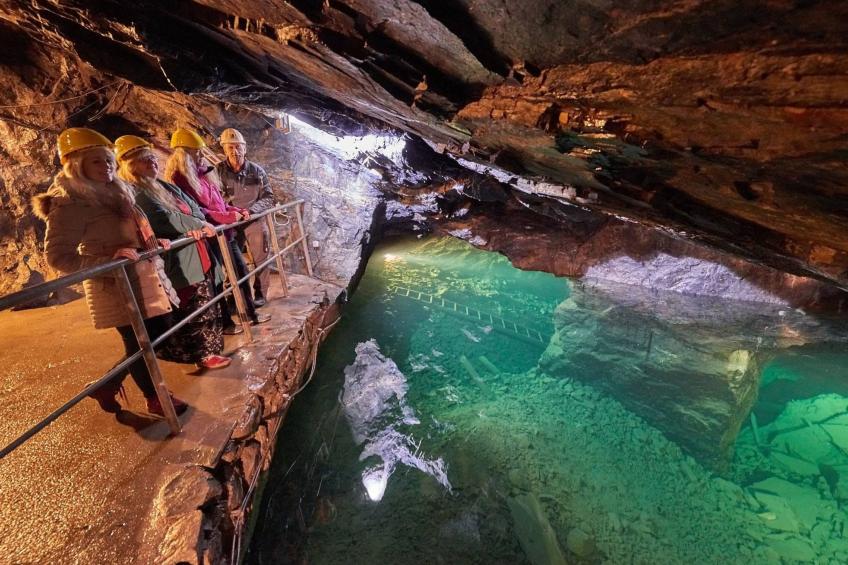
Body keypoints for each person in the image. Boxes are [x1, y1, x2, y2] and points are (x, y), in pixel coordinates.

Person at [32, 127, 187, 417]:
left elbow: (130, 229)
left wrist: (153, 241)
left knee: (158, 332)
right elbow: (58, 256)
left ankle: (107, 385)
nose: (105, 166)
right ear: (76, 165)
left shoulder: (117, 189)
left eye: (108, 160)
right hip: (114, 285)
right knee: (139, 342)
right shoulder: (69, 202)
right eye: (96, 161)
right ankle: (155, 398)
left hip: (142, 275)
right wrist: (107, 261)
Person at [115, 134, 231, 370]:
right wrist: (197, 225)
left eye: (152, 158)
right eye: (145, 160)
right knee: (193, 304)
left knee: (205, 299)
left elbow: (195, 208)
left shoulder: (164, 185)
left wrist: (197, 222)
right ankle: (201, 354)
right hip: (178, 256)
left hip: (196, 250)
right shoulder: (136, 192)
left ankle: (209, 350)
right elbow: (163, 218)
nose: (153, 162)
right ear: (131, 165)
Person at [163, 128, 271, 333]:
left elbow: (220, 203)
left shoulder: (205, 174)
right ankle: (228, 322)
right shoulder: (181, 179)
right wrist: (228, 217)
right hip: (212, 235)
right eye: (197, 152)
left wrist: (237, 211)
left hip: (227, 231)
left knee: (241, 270)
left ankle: (251, 314)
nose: (201, 155)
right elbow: (197, 210)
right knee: (218, 278)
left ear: (244, 148)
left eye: (238, 147)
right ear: (184, 154)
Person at [215, 128, 276, 307]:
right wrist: (230, 214)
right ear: (224, 150)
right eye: (230, 147)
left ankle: (260, 295)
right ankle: (234, 296)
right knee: (232, 262)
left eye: (238, 147)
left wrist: (252, 211)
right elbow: (215, 198)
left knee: (260, 259)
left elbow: (268, 197)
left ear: (245, 148)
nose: (235, 151)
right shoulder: (218, 172)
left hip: (253, 220)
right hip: (231, 223)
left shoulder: (257, 171)